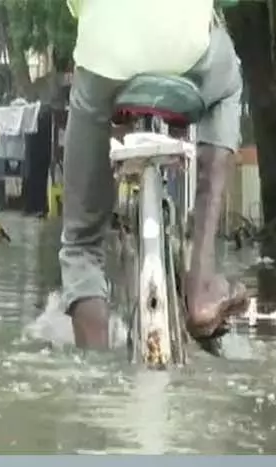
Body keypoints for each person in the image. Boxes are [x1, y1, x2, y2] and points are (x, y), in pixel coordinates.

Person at [61, 0, 247, 350]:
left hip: (105, 58)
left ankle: (92, 368)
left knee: (81, 244)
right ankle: (202, 283)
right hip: (187, 55)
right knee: (229, 84)